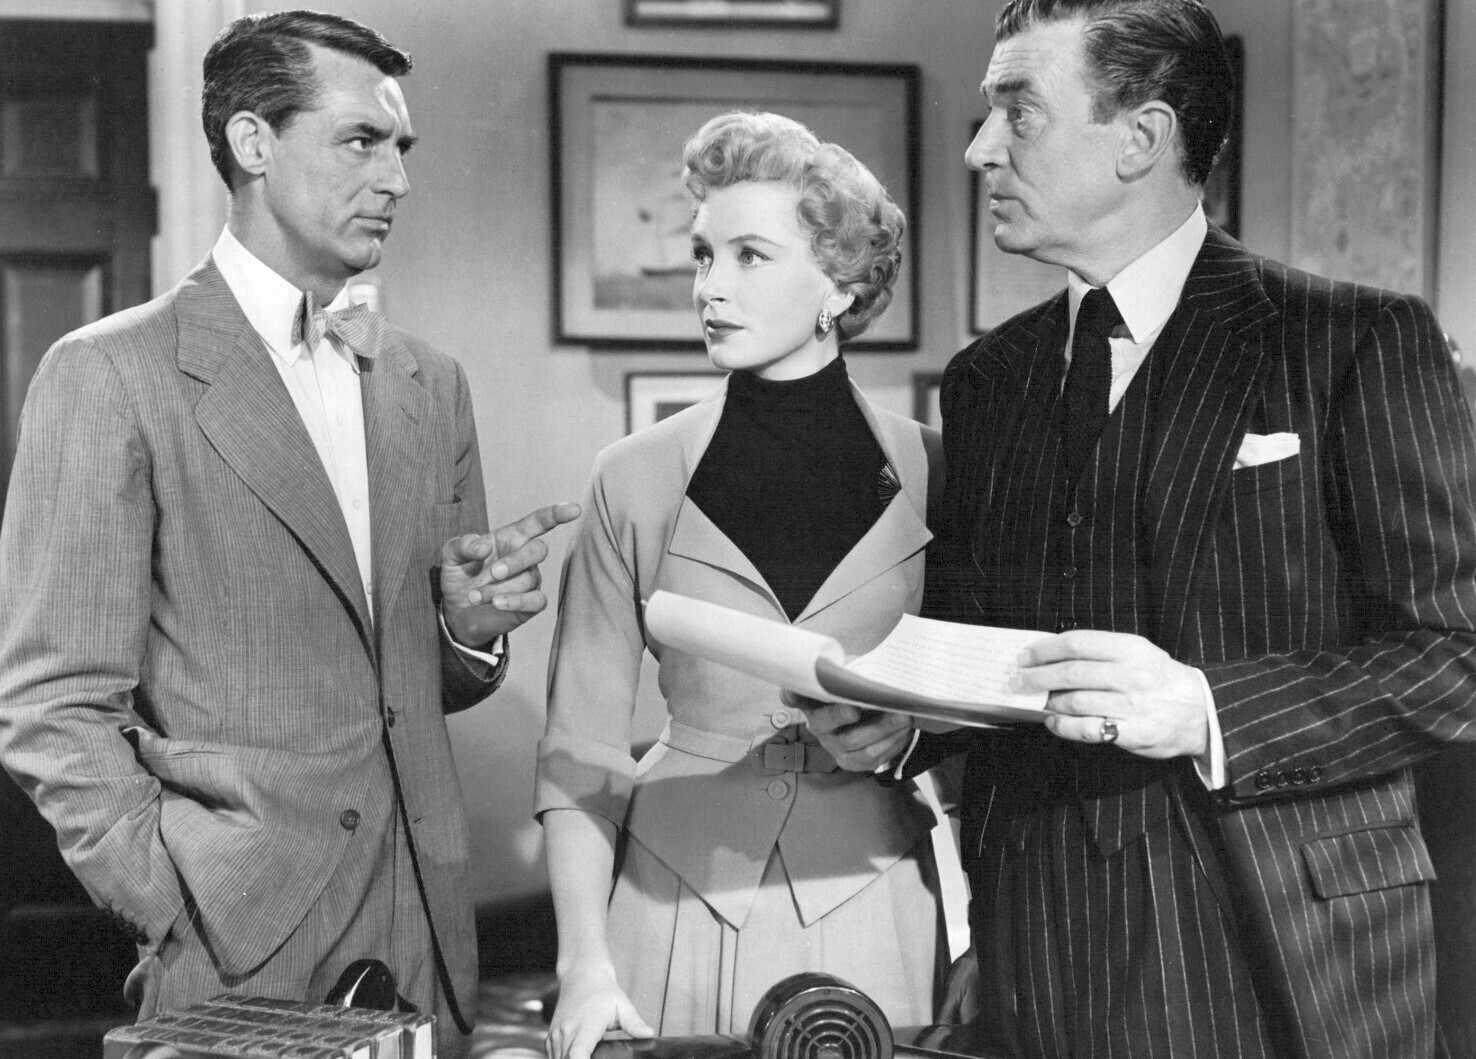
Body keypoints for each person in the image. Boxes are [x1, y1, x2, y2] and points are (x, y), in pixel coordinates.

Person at [801, 2, 1476, 1057]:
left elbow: (1452, 659)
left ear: (1143, 138)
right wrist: (907, 725)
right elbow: (983, 645)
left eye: (1019, 111)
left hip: (1284, 953)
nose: (981, 149)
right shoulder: (988, 382)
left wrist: (1205, 708)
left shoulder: (1354, 343)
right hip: (1038, 947)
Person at [0, 12, 577, 1059]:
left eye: (402, 147)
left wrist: (466, 632)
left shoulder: (429, 384)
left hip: (429, 933)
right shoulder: (110, 373)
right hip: (235, 945)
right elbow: (50, 703)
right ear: (253, 143)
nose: (397, 178)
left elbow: (411, 688)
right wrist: (177, 895)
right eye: (363, 141)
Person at [537, 111, 945, 1059]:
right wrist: (583, 964)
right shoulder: (632, 476)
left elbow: (972, 736)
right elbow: (578, 748)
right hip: (669, 902)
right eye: (703, 255)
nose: (710, 287)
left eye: (750, 256)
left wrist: (990, 946)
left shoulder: (937, 472)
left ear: (839, 285)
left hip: (876, 899)